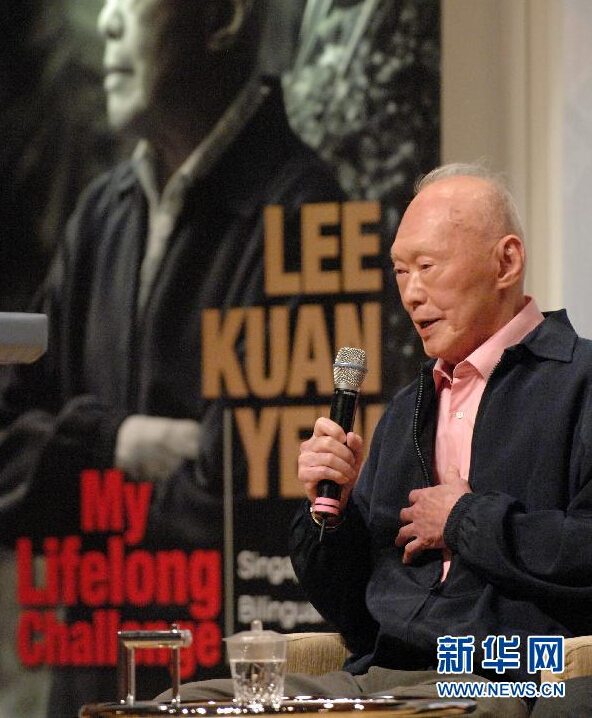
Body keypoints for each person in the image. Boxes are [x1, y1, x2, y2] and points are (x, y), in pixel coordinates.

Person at [0, 0, 343, 713]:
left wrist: (66, 472)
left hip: (215, 693)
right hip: (90, 691)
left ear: (223, 18)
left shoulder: (305, 212)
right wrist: (116, 443)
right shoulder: (100, 213)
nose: (107, 21)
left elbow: (241, 509)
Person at [167, 162, 592, 716]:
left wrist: (466, 520)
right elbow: (352, 610)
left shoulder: (580, 383)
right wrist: (331, 515)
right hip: (378, 678)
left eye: (428, 267)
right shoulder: (404, 411)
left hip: (507, 679)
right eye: (400, 271)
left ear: (506, 263)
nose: (411, 294)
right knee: (180, 706)